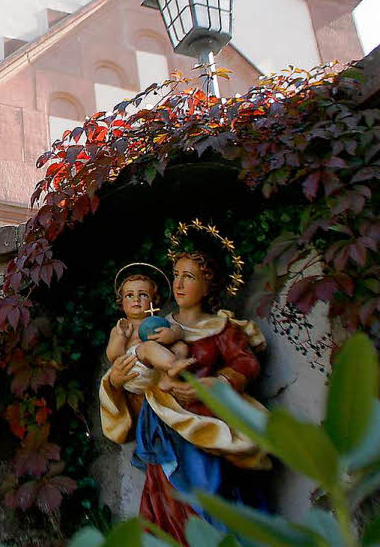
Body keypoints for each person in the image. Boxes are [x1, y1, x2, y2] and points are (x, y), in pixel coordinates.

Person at [99, 228, 270, 545]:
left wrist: (215, 383)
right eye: (176, 275)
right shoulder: (157, 325)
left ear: (208, 285)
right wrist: (117, 381)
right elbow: (132, 367)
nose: (178, 284)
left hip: (209, 425)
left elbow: (247, 363)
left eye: (189, 277)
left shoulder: (221, 327)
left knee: (208, 496)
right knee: (168, 503)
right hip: (164, 426)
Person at [105, 268, 195, 394]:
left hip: (156, 371)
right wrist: (121, 337)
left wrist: (173, 334)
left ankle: (169, 378)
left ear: (153, 301)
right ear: (122, 303)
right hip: (134, 372)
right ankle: (173, 366)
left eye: (143, 295)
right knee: (149, 346)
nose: (136, 299)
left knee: (181, 346)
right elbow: (113, 356)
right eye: (129, 295)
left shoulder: (157, 321)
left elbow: (178, 329)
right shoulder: (122, 328)